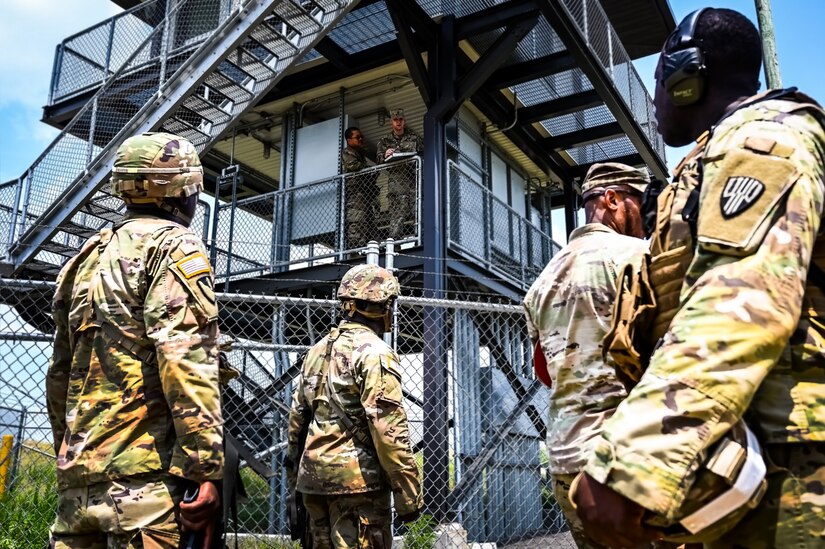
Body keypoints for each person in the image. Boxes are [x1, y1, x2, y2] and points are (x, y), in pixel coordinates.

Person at [573, 8, 825, 549]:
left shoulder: (763, 144)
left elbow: (741, 300)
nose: (657, 97)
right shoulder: (710, 159)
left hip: (794, 472)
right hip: (737, 457)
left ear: (688, 78)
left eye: (660, 80)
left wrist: (640, 459)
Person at [47, 132, 223, 548]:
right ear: (183, 189)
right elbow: (184, 358)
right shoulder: (174, 246)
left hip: (78, 485)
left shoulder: (85, 256)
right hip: (145, 488)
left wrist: (69, 452)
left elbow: (60, 372)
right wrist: (204, 467)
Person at [522, 162, 649, 548]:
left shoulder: (542, 281)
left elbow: (544, 370)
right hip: (629, 458)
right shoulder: (637, 255)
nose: (645, 217)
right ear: (612, 199)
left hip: (566, 461)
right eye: (639, 203)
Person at [286, 263, 422, 549]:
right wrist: (409, 498)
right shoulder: (375, 353)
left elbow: (297, 422)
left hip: (313, 484)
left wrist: (294, 485)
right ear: (383, 305)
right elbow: (388, 430)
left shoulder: (317, 350)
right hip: (358, 488)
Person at [375, 108, 423, 239]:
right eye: (395, 120)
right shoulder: (384, 141)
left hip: (414, 182)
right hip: (397, 184)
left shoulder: (414, 138)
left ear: (404, 121)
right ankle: (395, 245)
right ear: (391, 122)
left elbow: (424, 156)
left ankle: (421, 240)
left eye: (400, 119)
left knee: (418, 212)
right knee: (397, 214)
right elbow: (378, 161)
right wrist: (385, 154)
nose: (398, 122)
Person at [341, 126, 379, 249]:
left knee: (369, 222)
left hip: (364, 194)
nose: (361, 139)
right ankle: (354, 249)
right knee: (356, 220)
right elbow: (354, 166)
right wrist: (370, 170)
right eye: (357, 137)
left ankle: (369, 247)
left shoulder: (360, 155)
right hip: (355, 194)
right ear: (349, 140)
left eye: (362, 137)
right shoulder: (347, 152)